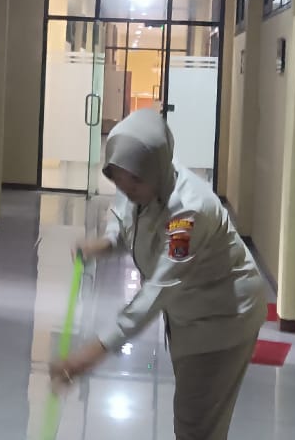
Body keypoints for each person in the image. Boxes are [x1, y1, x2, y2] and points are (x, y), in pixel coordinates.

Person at [50, 109, 268, 440]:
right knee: (195, 417)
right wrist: (105, 243)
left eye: (135, 182)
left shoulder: (188, 213)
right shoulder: (141, 177)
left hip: (222, 318)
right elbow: (127, 219)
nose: (127, 189)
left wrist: (95, 351)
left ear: (154, 170)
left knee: (197, 426)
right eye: (118, 181)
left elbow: (160, 288)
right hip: (189, 314)